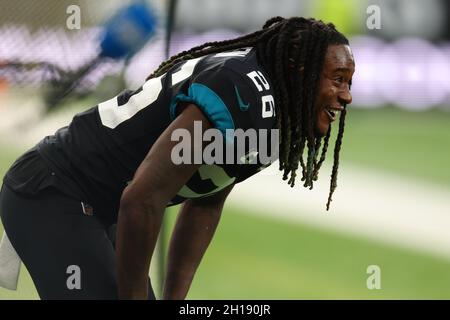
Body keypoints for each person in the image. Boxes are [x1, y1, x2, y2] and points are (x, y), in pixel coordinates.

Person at [0, 16, 355, 299]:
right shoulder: (244, 94)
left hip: (98, 204)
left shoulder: (278, 116)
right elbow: (143, 197)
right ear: (300, 70)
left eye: (349, 83)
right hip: (54, 191)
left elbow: (206, 202)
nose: (347, 96)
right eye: (338, 80)